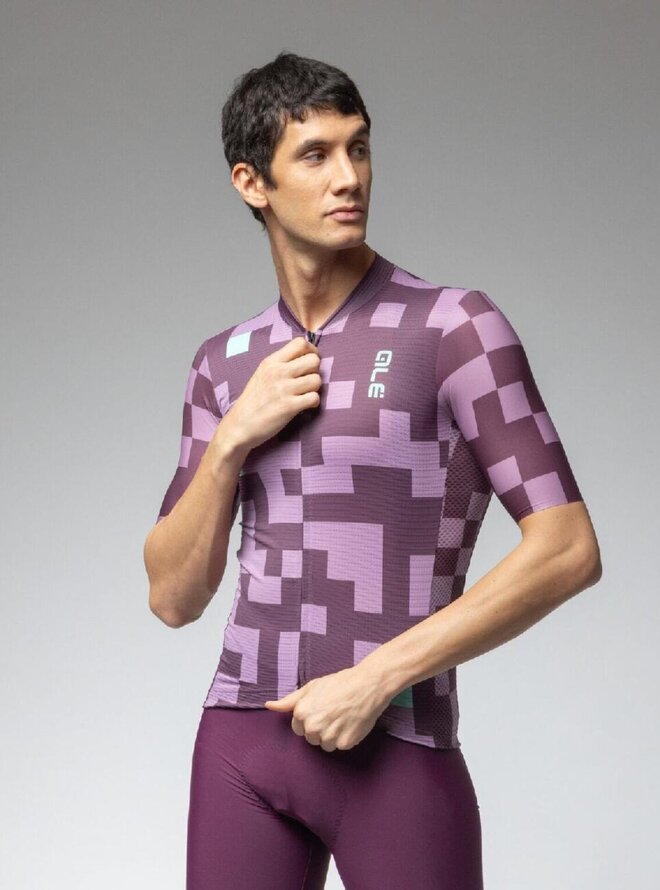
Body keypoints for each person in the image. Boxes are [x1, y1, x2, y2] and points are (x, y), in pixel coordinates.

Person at [143, 50, 602, 890]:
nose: (349, 176)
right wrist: (231, 441)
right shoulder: (224, 364)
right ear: (252, 183)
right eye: (315, 155)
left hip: (394, 742)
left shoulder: (452, 329)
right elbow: (173, 598)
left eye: (358, 147)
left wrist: (377, 678)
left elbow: (568, 549)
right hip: (241, 744)